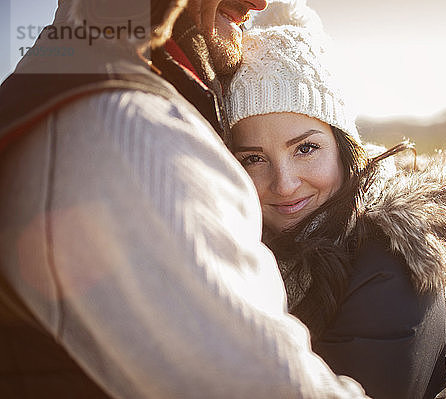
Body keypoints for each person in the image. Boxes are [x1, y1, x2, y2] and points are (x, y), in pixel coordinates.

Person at [0, 0, 369, 398]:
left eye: (306, 149)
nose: (260, 2)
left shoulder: (61, 86)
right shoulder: (129, 128)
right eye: (253, 158)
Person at [225, 2, 446, 398]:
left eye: (305, 149)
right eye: (254, 158)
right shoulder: (248, 249)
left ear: (344, 148)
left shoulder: (389, 268)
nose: (284, 183)